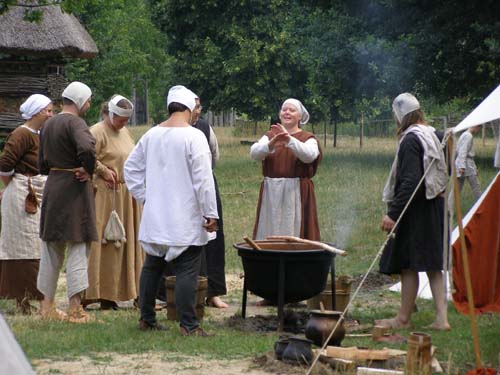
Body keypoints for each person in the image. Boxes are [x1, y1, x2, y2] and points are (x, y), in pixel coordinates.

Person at [124, 85, 218, 335]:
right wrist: (210, 212)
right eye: (195, 108)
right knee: (187, 267)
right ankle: (189, 324)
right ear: (188, 107)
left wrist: (146, 198)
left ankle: (146, 319)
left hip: (156, 216)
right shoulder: (193, 136)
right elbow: (203, 179)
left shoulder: (151, 134)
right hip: (184, 216)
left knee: (152, 266)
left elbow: (130, 169)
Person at [378, 93, 450, 331]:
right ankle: (442, 318)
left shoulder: (411, 140)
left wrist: (393, 213)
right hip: (434, 205)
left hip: (416, 209)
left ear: (400, 115)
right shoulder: (435, 134)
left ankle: (403, 318)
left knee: (408, 264)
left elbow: (411, 180)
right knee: (432, 265)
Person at [37, 81, 97, 323]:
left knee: (50, 249)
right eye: (89, 100)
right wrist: (87, 169)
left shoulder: (48, 123)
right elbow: (87, 148)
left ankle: (46, 306)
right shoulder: (76, 123)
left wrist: (54, 171)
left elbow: (41, 163)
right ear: (81, 101)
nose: (89, 105)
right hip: (73, 187)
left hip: (53, 185)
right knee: (78, 246)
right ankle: (75, 308)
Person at [83, 95, 143, 310]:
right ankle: (101, 293)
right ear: (110, 114)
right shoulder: (96, 132)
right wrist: (103, 171)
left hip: (126, 194)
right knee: (106, 243)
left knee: (127, 243)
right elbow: (86, 157)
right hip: (106, 196)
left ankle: (128, 290)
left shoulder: (124, 131)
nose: (123, 124)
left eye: (126, 120)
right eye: (120, 120)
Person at [0, 94, 53, 314]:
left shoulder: (42, 135)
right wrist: (15, 186)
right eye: (48, 110)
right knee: (23, 247)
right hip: (22, 194)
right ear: (38, 112)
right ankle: (25, 299)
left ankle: (33, 299)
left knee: (36, 245)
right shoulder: (21, 134)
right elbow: (5, 165)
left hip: (36, 192)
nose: (51, 114)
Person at [250, 98, 322, 241]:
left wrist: (289, 140)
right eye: (284, 109)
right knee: (270, 230)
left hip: (296, 192)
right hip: (272, 192)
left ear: (300, 116)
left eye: (292, 110)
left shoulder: (307, 138)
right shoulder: (270, 136)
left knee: (295, 233)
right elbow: (254, 154)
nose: (287, 112)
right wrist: (270, 145)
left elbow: (309, 156)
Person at [191, 95, 228, 309]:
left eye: (199, 106)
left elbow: (214, 156)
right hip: (185, 189)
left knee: (213, 238)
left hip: (207, 185)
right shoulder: (171, 129)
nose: (198, 110)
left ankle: (213, 292)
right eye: (194, 106)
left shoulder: (205, 127)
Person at [455, 125, 482, 200]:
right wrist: (462, 166)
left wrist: (474, 168)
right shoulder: (468, 135)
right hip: (465, 164)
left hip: (466, 162)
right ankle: (480, 205)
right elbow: (463, 151)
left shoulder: (465, 134)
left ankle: (448, 209)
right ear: (476, 127)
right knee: (476, 187)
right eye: (479, 128)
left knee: (457, 188)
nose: (478, 131)